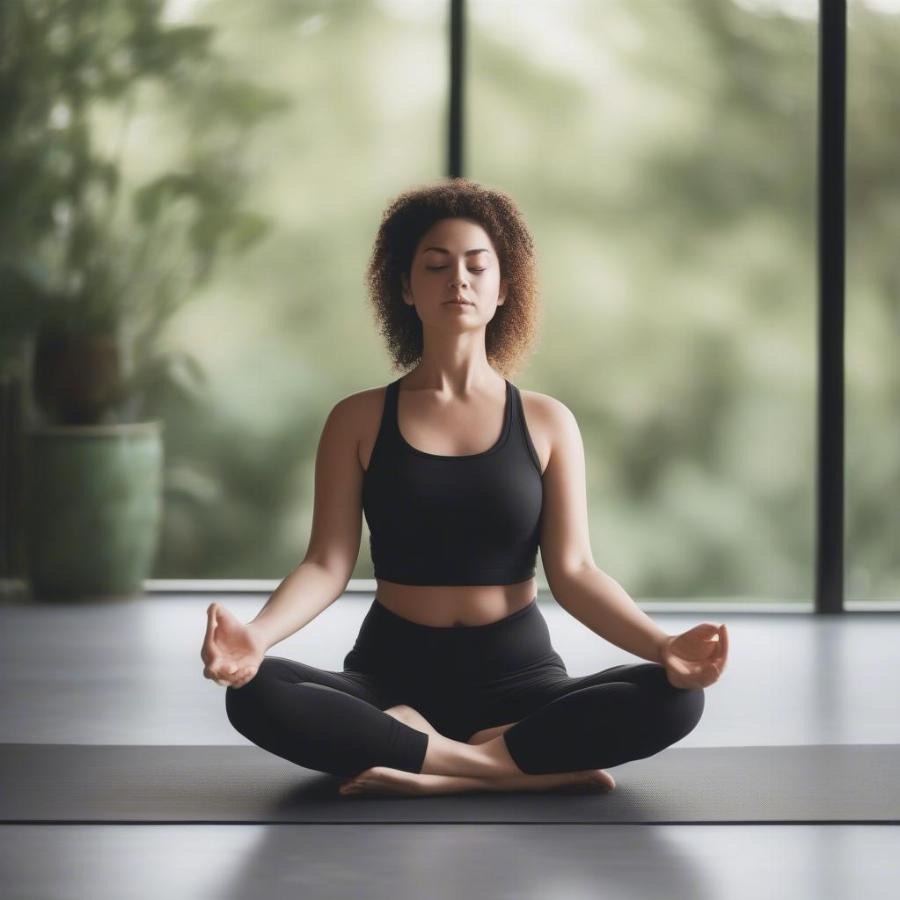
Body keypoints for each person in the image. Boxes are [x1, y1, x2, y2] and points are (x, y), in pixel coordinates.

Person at [201, 178, 728, 798]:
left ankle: (433, 767)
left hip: (521, 680)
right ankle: (505, 769)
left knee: (678, 700)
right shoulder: (357, 418)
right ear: (404, 287)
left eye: (478, 266)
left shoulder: (547, 420)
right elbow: (325, 563)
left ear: (504, 289)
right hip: (389, 678)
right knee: (254, 694)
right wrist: (256, 637)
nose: (459, 280)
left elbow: (577, 571)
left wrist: (664, 645)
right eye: (436, 265)